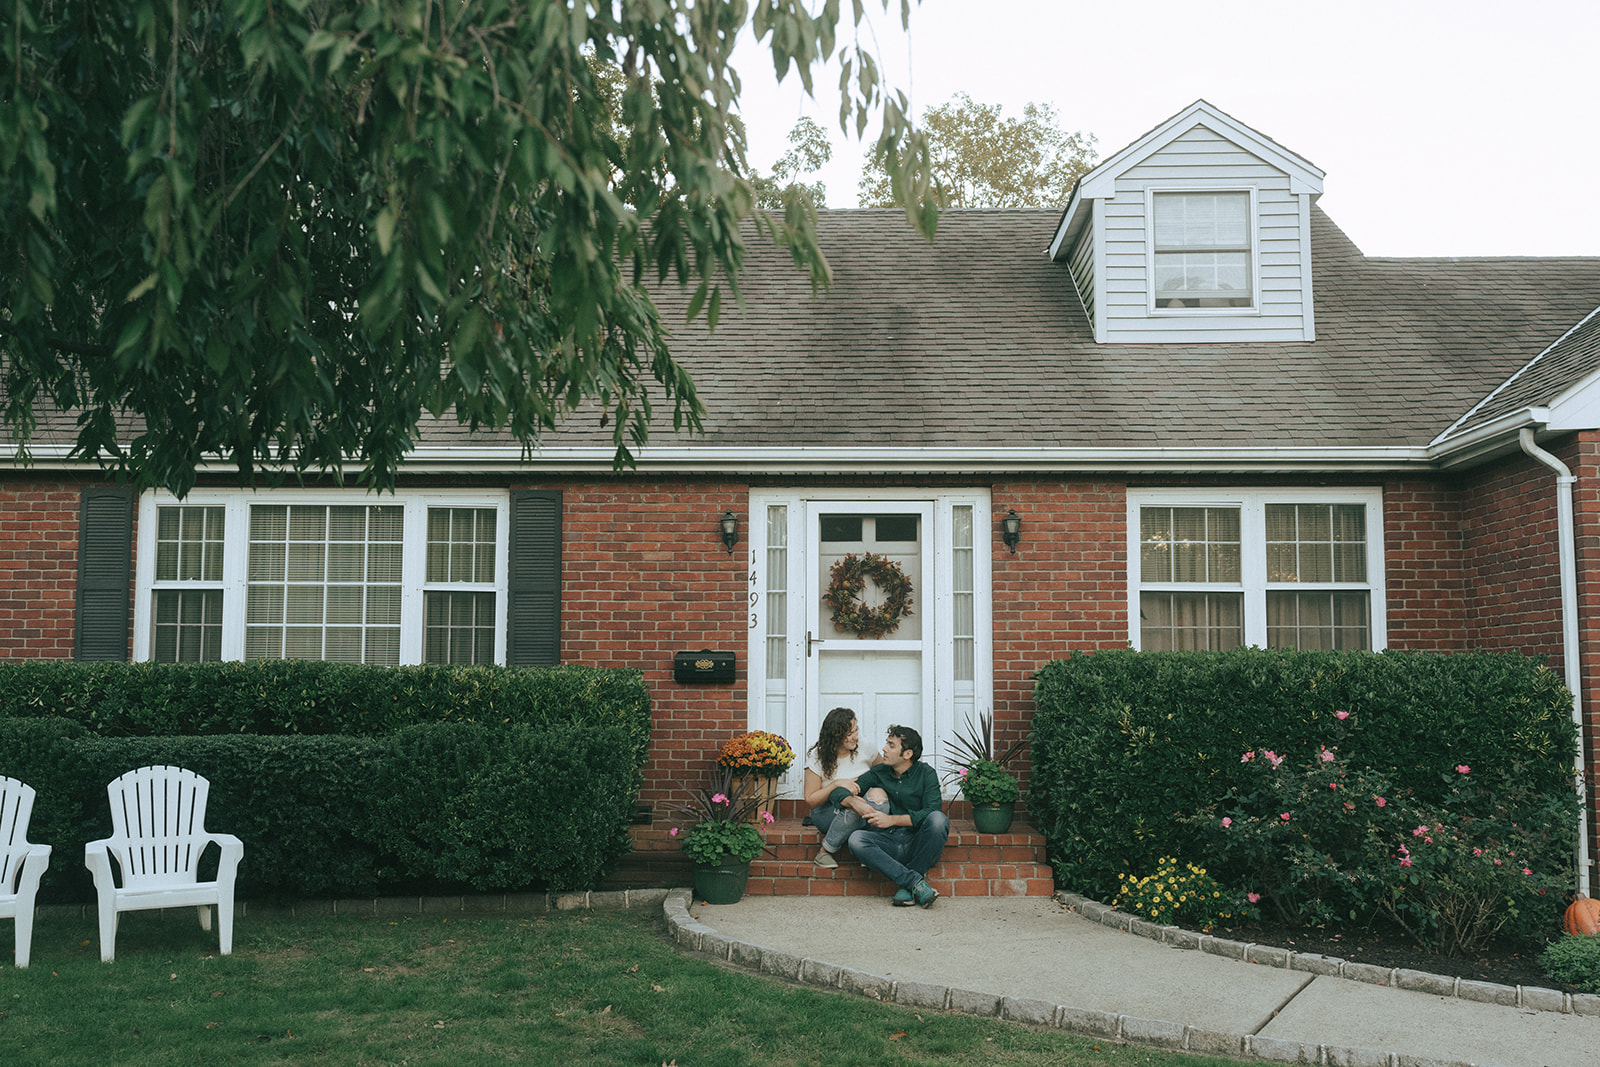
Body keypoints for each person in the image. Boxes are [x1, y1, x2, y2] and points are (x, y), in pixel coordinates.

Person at [832, 725, 949, 908]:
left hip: (918, 844)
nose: (884, 749)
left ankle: (908, 883)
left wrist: (892, 820)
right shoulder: (880, 772)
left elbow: (932, 811)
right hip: (888, 843)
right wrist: (854, 802)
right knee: (856, 839)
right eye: (886, 743)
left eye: (891, 745)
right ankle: (915, 883)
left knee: (938, 820)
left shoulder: (926, 774)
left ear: (907, 754)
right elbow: (838, 793)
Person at [803, 707, 884, 868]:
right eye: (849, 733)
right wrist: (835, 784)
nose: (856, 737)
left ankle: (868, 850)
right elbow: (811, 800)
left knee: (879, 796)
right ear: (836, 735)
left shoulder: (866, 747)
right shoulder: (817, 758)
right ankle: (824, 852)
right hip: (828, 811)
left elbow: (883, 774)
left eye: (856, 730)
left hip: (865, 807)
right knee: (854, 807)